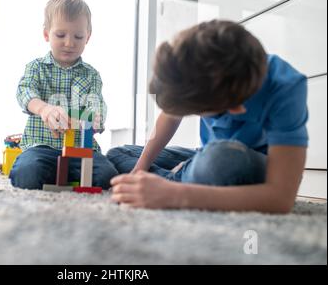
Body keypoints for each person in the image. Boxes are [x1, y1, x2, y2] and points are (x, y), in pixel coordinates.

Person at [107, 20, 308, 213]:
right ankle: (182, 174)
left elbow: (280, 198)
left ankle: (177, 178)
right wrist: (140, 169)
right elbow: (171, 114)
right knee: (118, 155)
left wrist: (173, 195)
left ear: (235, 108)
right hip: (204, 154)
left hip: (243, 162)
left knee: (222, 159)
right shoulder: (202, 62)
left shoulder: (285, 87)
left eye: (194, 112)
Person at [10, 0, 118, 190]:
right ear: (46, 34)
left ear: (88, 37)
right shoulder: (36, 68)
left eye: (78, 37)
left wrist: (97, 118)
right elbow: (25, 91)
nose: (69, 43)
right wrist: (43, 109)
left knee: (107, 176)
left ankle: (63, 175)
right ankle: (52, 174)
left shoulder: (91, 75)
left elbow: (97, 103)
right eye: (61, 35)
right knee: (26, 174)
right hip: (41, 148)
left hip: (81, 151)